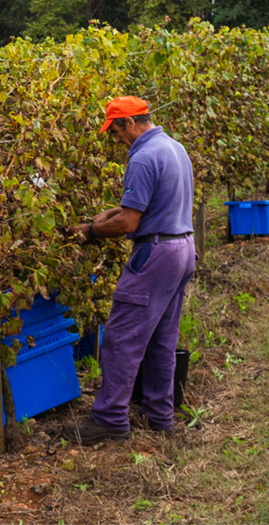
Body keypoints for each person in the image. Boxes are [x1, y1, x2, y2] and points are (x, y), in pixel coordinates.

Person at [64, 96, 196, 444]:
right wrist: (105, 216)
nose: (116, 139)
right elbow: (143, 204)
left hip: (155, 254)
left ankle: (109, 420)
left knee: (121, 339)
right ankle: (160, 416)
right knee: (161, 340)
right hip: (182, 247)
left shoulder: (142, 157)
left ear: (131, 124)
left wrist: (91, 231)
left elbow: (130, 221)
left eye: (116, 131)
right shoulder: (174, 148)